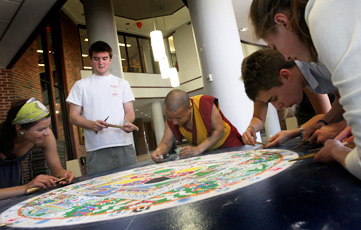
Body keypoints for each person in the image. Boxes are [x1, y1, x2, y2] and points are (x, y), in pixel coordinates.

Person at [249, 0, 361, 179]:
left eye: (275, 46)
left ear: (283, 22)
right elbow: (344, 98)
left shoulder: (321, 20)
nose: (285, 56)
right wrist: (325, 123)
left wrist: (335, 151)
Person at [241, 49, 344, 148]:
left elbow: (352, 101)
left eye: (275, 98)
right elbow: (341, 99)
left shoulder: (317, 66)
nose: (278, 107)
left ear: (285, 75)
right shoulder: (303, 75)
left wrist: (338, 127)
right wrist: (323, 123)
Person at [66, 41, 139, 175]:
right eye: (96, 59)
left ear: (110, 60)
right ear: (90, 60)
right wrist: (90, 124)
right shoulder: (81, 85)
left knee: (133, 183)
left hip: (124, 144)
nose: (101, 63)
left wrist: (127, 122)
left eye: (104, 59)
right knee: (102, 190)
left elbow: (129, 111)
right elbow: (73, 116)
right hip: (96, 148)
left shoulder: (122, 83)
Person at [0, 98, 74, 200]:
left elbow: (57, 170)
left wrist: (64, 175)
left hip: (14, 191)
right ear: (19, 128)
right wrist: (26, 187)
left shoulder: (46, 137)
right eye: (40, 129)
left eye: (48, 126)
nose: (47, 132)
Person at [151, 89, 243, 163]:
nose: (174, 122)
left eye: (179, 118)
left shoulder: (203, 103)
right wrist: (159, 151)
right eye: (170, 118)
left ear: (189, 109)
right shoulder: (172, 119)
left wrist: (198, 149)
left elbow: (219, 131)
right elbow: (166, 143)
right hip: (206, 154)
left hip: (229, 146)